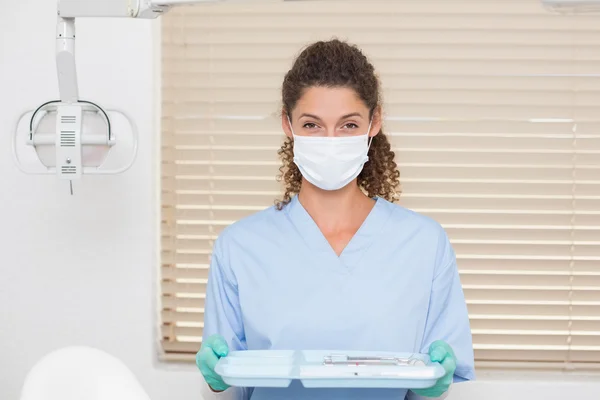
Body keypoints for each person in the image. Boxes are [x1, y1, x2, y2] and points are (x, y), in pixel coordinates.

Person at [196, 39, 475, 400]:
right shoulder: (240, 247)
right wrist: (215, 380)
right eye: (312, 125)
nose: (330, 141)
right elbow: (227, 385)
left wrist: (436, 382)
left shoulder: (424, 244)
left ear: (375, 121)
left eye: (348, 125)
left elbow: (430, 385)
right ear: (288, 124)